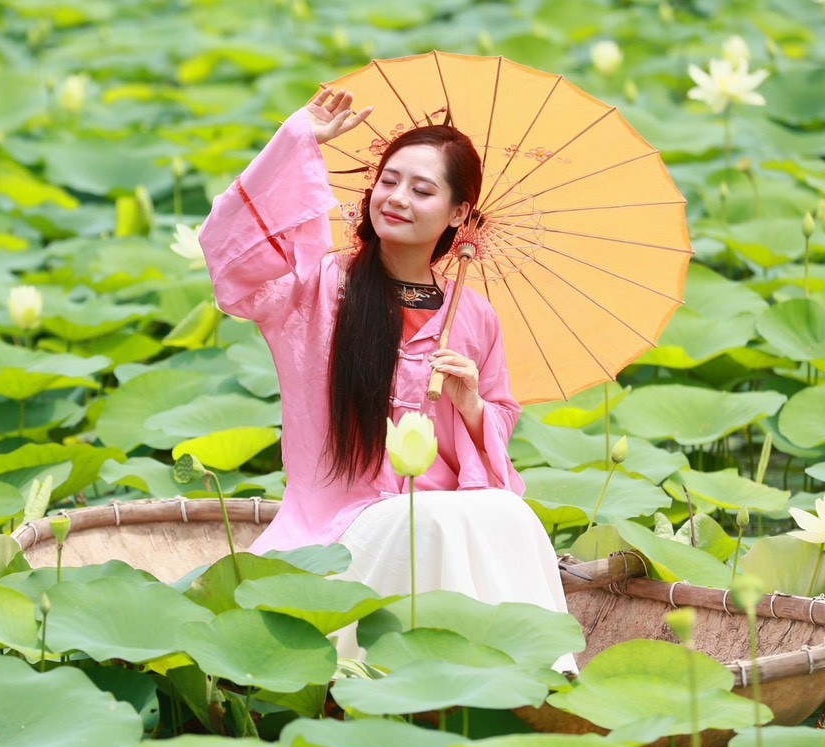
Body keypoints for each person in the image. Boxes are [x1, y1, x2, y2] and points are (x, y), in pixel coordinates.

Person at [199, 89, 575, 670]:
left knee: (509, 515)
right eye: (389, 181)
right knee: (424, 527)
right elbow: (230, 251)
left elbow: (497, 436)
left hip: (440, 512)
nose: (397, 198)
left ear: (458, 215)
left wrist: (471, 404)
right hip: (342, 524)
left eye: (422, 190)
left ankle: (523, 682)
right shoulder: (320, 289)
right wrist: (294, 140)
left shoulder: (470, 317)